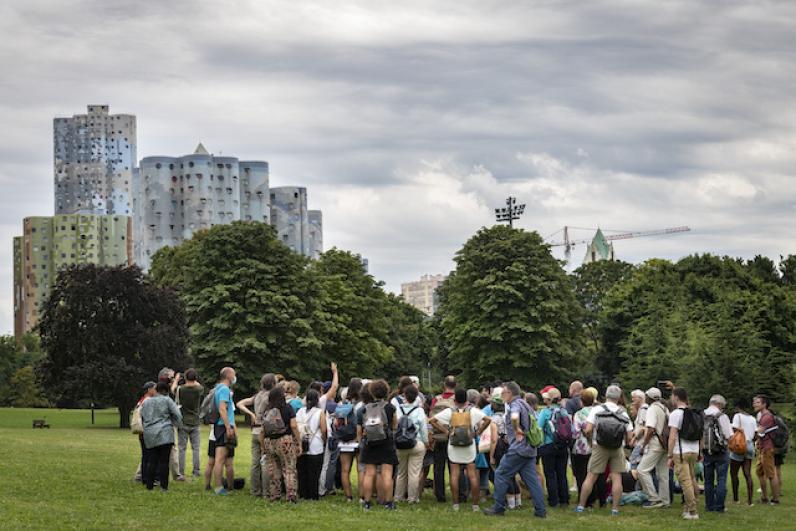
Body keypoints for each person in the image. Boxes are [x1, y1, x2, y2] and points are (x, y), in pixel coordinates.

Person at [482, 382, 546, 518]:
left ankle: (498, 508)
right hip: (529, 448)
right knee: (532, 481)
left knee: (500, 474)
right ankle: (541, 511)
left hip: (518, 449)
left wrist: (516, 428)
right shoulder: (526, 404)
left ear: (510, 393)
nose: (502, 395)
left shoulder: (515, 405)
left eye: (503, 393)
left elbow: (515, 417)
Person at [575, 385, 632, 516]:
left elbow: (588, 429)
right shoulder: (622, 412)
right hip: (617, 448)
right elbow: (629, 435)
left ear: (606, 395)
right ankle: (615, 509)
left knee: (590, 477)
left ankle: (581, 506)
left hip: (599, 446)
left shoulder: (597, 410)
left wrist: (591, 442)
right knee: (617, 479)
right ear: (619, 397)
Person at [430, 388, 491, 512]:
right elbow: (488, 420)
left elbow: (432, 420)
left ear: (455, 399)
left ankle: (455, 504)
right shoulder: (473, 411)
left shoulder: (450, 411)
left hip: (454, 445)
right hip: (469, 445)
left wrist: (446, 431)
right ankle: (475, 505)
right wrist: (478, 432)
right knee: (472, 475)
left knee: (454, 474)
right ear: (466, 399)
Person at [358, 379, 399, 511]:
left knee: (369, 474)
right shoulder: (390, 408)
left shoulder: (365, 408)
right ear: (386, 391)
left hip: (370, 443)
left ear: (372, 392)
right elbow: (394, 426)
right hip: (386, 443)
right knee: (387, 474)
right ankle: (389, 503)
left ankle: (367, 502)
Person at [237, 373, 277, 497]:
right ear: (273, 384)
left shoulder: (257, 395)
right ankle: (267, 492)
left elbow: (240, 403)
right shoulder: (271, 396)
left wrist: (252, 414)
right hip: (264, 432)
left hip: (254, 431)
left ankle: (255, 491)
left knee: (255, 463)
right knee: (265, 461)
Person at [260, 385, 301, 502]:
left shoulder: (266, 410)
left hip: (269, 442)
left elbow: (262, 430)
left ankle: (274, 495)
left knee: (273, 470)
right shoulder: (287, 408)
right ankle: (291, 496)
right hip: (285, 441)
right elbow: (293, 425)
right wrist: (298, 442)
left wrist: (263, 446)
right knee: (289, 468)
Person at [140, 381, 183, 491]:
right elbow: (177, 414)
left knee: (151, 460)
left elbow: (142, 416)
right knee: (164, 462)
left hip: (150, 434)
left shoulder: (146, 402)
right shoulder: (167, 400)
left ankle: (149, 486)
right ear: (166, 391)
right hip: (165, 433)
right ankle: (164, 487)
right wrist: (176, 424)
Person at [667, 387, 700, 520]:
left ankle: (693, 511)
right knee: (692, 479)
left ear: (676, 397)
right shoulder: (695, 413)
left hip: (681, 451)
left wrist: (670, 455)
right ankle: (687, 508)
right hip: (694, 450)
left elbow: (672, 436)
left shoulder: (676, 414)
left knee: (685, 482)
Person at [637, 387, 670, 509]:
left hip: (655, 443)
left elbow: (650, 428)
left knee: (642, 470)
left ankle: (653, 498)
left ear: (649, 398)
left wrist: (644, 445)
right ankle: (665, 500)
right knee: (663, 474)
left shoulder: (652, 409)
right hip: (665, 444)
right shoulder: (665, 408)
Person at [537, 387, 570, 507]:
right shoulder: (564, 411)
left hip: (549, 445)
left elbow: (539, 427)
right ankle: (564, 500)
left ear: (549, 399)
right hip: (563, 445)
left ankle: (553, 500)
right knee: (562, 473)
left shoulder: (545, 412)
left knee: (550, 474)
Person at [395, 385, 428, 503]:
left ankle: (398, 497)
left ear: (404, 395)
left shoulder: (398, 409)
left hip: (400, 443)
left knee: (401, 473)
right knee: (414, 473)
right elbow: (424, 429)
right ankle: (412, 498)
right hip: (416, 442)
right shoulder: (419, 411)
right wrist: (426, 442)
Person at [571, 388, 603, 507]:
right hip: (598, 446)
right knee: (597, 474)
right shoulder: (599, 412)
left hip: (581, 448)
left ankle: (584, 499)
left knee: (581, 475)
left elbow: (575, 432)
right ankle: (600, 498)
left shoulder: (579, 414)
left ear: (581, 401)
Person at [702, 394, 733, 513]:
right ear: (719, 404)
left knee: (708, 480)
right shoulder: (722, 416)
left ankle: (709, 506)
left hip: (706, 450)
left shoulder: (702, 415)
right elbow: (729, 435)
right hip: (720, 451)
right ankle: (719, 507)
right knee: (721, 479)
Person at [429, 375, 457, 503]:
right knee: (454, 467)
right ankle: (456, 493)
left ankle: (440, 495)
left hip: (438, 436)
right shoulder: (457, 400)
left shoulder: (436, 399)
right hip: (453, 437)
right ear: (455, 385)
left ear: (444, 385)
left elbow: (431, 418)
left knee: (438, 467)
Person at [296, 389, 327, 500]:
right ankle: (313, 494)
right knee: (314, 472)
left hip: (301, 443)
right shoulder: (320, 412)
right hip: (315, 444)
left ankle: (302, 493)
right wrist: (324, 440)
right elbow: (323, 429)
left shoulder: (300, 411)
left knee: (302, 470)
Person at [211, 367, 238, 496]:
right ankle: (219, 488)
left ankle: (230, 486)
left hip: (222, 426)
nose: (235, 377)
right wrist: (228, 427)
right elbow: (222, 409)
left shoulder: (218, 388)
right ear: (228, 375)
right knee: (220, 459)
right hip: (223, 427)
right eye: (234, 374)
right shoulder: (224, 389)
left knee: (228, 460)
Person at [337, 378, 363, 501]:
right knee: (360, 469)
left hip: (344, 441)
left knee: (345, 470)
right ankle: (362, 497)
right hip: (358, 440)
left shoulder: (342, 404)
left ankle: (348, 497)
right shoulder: (363, 405)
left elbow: (337, 422)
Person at [175, 368, 203, 481]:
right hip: (195, 421)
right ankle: (196, 471)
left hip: (183, 421)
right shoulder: (199, 389)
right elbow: (199, 384)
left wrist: (177, 380)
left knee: (182, 448)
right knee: (196, 448)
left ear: (185, 377)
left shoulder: (180, 389)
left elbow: (173, 390)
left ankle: (181, 472)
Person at [754, 394, 780, 505]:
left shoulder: (767, 417)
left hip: (767, 449)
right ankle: (764, 497)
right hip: (762, 449)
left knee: (770, 474)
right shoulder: (761, 416)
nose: (754, 404)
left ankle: (775, 499)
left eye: (757, 402)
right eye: (754, 402)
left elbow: (759, 432)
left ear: (764, 404)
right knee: (759, 472)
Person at [730, 398, 756, 505]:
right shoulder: (752, 418)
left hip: (739, 445)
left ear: (737, 407)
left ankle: (736, 499)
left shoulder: (737, 416)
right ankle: (750, 501)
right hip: (749, 445)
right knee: (747, 474)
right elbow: (755, 433)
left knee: (734, 473)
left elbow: (735, 430)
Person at [133, 382, 157, 482]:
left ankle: (144, 477)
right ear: (149, 390)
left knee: (145, 455)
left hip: (142, 432)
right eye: (154, 389)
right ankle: (148, 478)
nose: (156, 391)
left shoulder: (141, 400)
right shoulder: (148, 401)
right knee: (150, 456)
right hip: (148, 432)